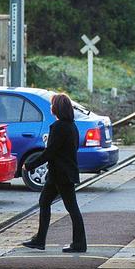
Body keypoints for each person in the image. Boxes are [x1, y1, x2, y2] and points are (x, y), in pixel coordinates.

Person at [21, 93, 87, 253]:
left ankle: (78, 244)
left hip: (61, 174)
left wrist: (29, 165)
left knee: (71, 208)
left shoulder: (58, 127)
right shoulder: (72, 126)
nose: (51, 107)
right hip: (61, 173)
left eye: (52, 105)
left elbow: (49, 152)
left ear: (57, 108)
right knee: (45, 202)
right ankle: (40, 240)